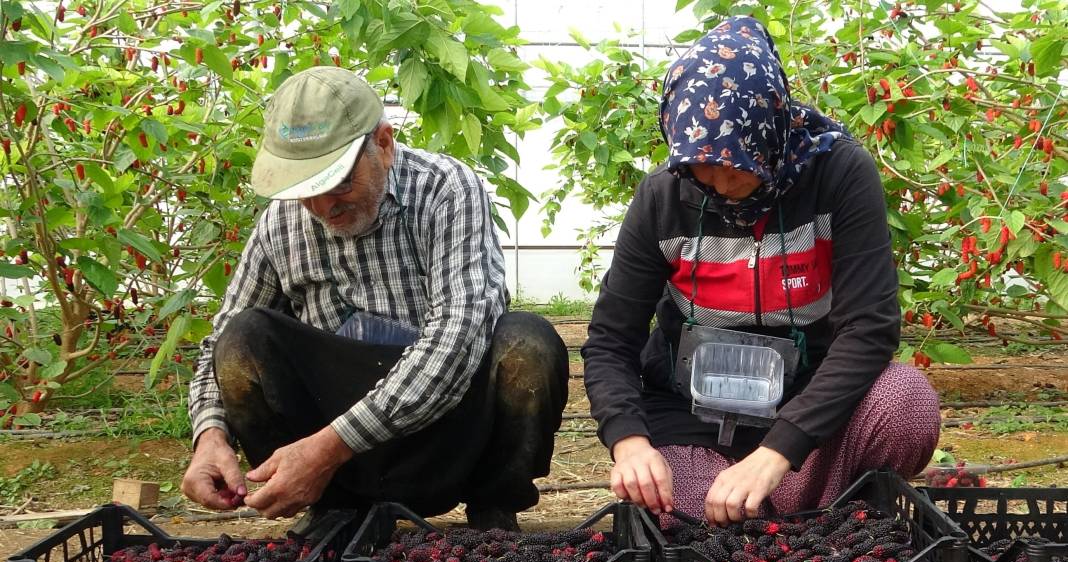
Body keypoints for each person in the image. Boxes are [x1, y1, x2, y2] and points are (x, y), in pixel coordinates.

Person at [581, 17, 940, 527]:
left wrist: (777, 453)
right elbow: (611, 339)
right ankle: (809, 516)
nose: (720, 182)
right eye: (702, 166)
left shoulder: (838, 175)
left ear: (768, 129)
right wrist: (630, 442)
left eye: (736, 163)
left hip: (809, 422)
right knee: (679, 514)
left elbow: (869, 329)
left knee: (906, 403)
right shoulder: (663, 197)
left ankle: (788, 505)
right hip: (691, 420)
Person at [183, 67, 568, 530]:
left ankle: (492, 507)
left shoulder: (446, 190)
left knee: (527, 344)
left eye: (340, 182)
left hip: (452, 433)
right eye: (307, 190)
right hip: (341, 447)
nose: (325, 206)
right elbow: (220, 340)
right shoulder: (279, 224)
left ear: (383, 144)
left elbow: (454, 344)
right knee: (240, 340)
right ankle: (338, 509)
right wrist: (209, 434)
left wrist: (327, 448)